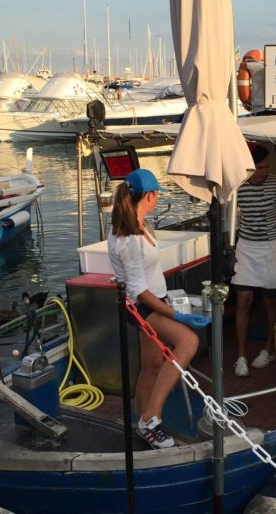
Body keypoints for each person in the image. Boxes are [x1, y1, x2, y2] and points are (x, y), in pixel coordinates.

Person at [107, 168, 208, 449]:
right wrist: (178, 316)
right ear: (149, 196)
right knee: (188, 341)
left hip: (154, 300)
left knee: (151, 366)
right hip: (142, 306)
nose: (157, 200)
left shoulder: (140, 225)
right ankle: (151, 419)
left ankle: (142, 423)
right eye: (156, 196)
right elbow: (139, 291)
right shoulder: (130, 239)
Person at [232, 145, 276, 377]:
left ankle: (269, 349)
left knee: (271, 301)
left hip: (270, 247)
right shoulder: (237, 185)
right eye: (259, 168)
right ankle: (241, 356)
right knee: (243, 299)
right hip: (246, 246)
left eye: (266, 166)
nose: (264, 171)